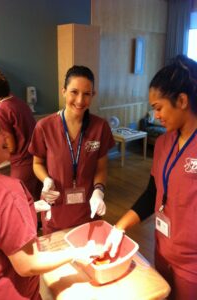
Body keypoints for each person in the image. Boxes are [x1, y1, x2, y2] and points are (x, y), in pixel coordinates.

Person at [0, 104, 99, 300]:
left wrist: (28, 208)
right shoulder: (6, 192)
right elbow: (29, 264)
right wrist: (79, 251)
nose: (6, 134)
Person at [102, 55, 197, 300]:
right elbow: (153, 193)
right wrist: (119, 227)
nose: (155, 116)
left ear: (182, 100)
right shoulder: (164, 143)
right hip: (163, 250)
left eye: (158, 107)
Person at [29, 65, 115, 234]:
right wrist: (46, 180)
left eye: (87, 94)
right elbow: (37, 163)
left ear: (93, 95)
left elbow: (101, 168)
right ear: (64, 91)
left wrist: (99, 191)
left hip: (88, 211)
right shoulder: (44, 127)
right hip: (56, 210)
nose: (80, 100)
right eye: (74, 92)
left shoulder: (100, 127)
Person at [0, 69, 42, 201]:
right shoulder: (18, 102)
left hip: (22, 166)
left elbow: (11, 146)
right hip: (36, 162)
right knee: (35, 202)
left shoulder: (2, 110)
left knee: (20, 203)